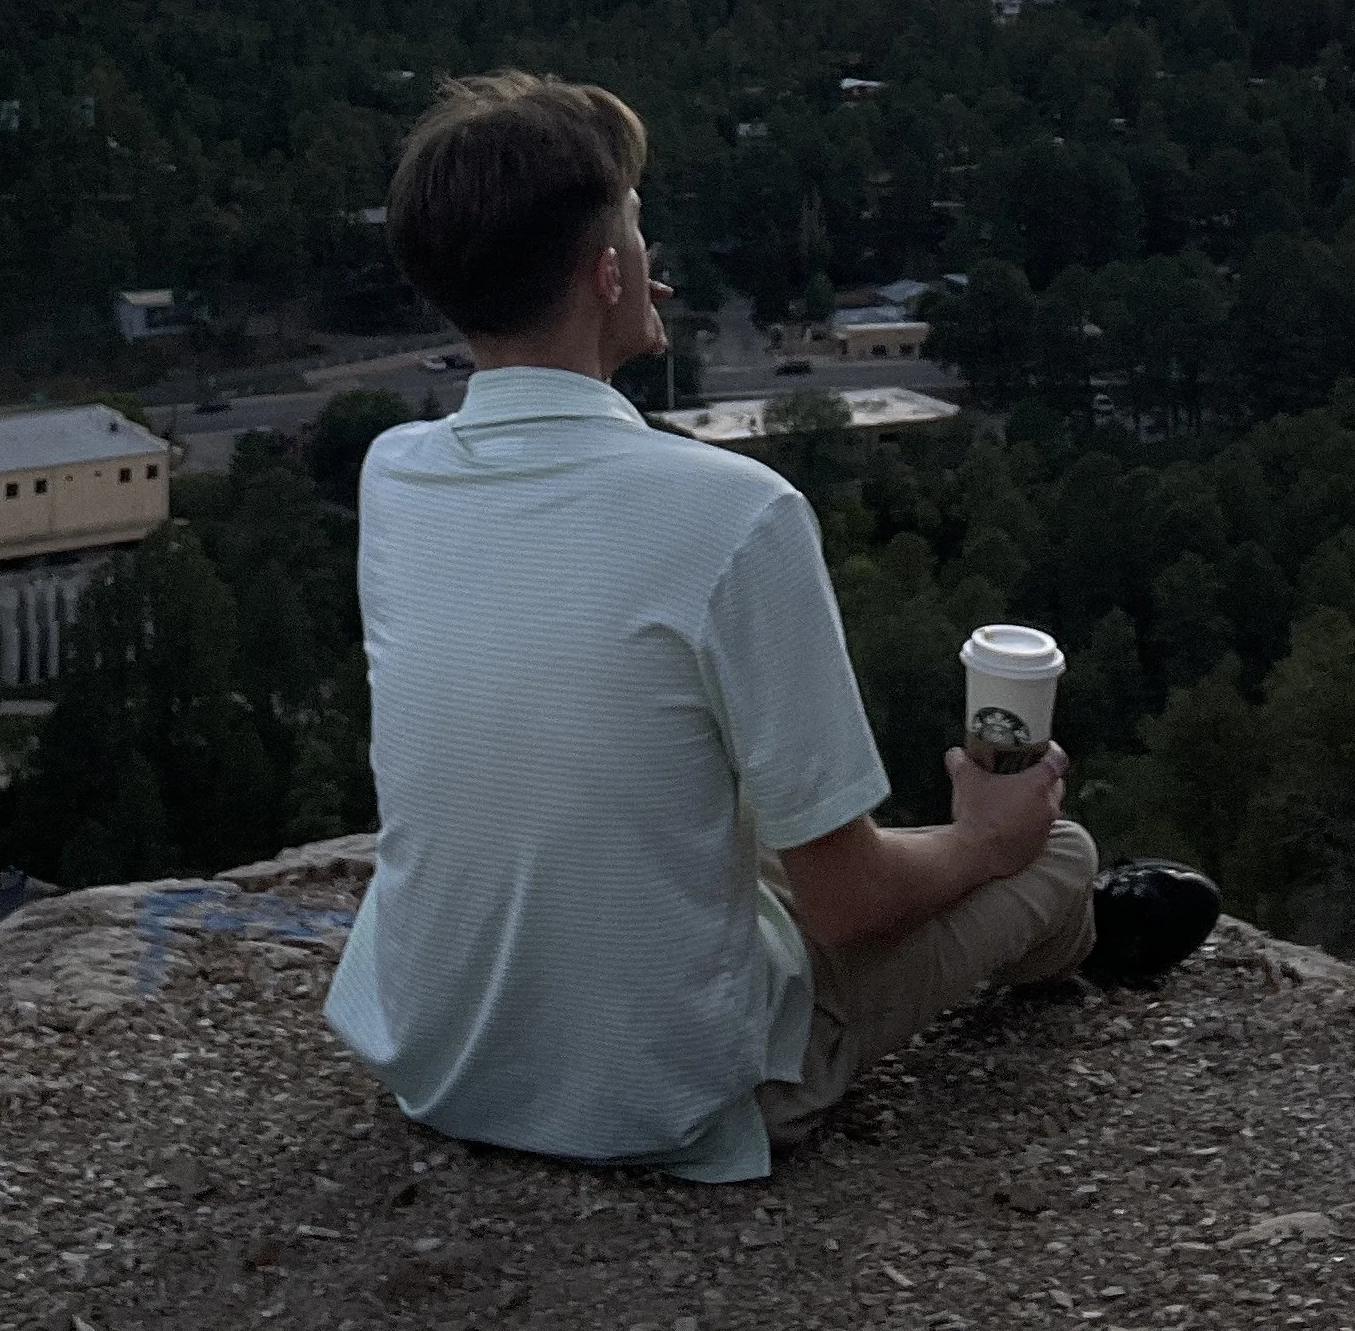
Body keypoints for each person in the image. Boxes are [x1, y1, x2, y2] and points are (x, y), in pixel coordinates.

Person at [325, 70, 1218, 1181]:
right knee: (1055, 847)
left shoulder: (395, 473)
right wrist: (990, 836)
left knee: (706, 807)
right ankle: (1075, 931)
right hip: (663, 1097)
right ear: (609, 274)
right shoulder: (733, 512)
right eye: (640, 232)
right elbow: (846, 904)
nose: (653, 258)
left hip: (439, 1056)